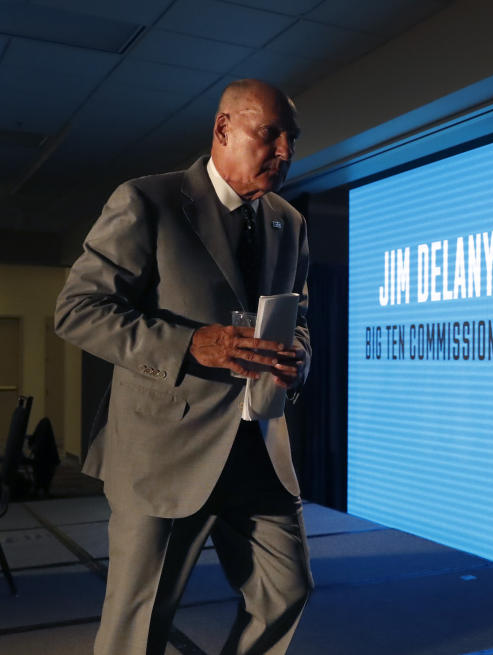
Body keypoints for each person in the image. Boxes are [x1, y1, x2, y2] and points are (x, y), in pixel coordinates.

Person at [55, 79, 313, 655]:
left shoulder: (288, 222)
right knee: (140, 622)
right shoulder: (148, 201)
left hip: (258, 447)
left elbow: (298, 318)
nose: (285, 152)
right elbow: (78, 312)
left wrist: (299, 357)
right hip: (164, 450)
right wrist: (189, 344)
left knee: (287, 592)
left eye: (291, 138)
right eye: (269, 134)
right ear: (223, 128)